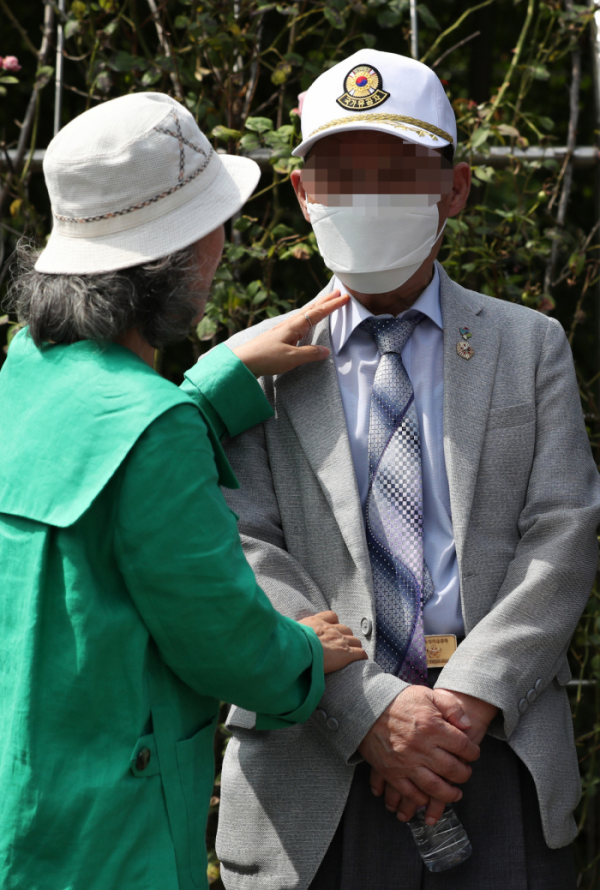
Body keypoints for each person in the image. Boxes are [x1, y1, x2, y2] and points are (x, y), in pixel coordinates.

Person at [214, 50, 600, 889]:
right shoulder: (253, 363)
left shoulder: (528, 344)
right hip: (312, 762)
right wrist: (369, 711)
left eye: (397, 172)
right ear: (302, 193)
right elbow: (239, 550)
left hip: (491, 753)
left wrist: (462, 702)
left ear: (454, 190)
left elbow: (562, 535)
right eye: (340, 174)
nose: (367, 197)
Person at [0, 91, 368, 890]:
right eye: (212, 222)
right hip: (111, 835)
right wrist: (306, 651)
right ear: (171, 255)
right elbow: (227, 644)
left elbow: (99, 457)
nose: (222, 242)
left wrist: (217, 379)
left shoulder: (25, 369)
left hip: (29, 807)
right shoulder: (153, 429)